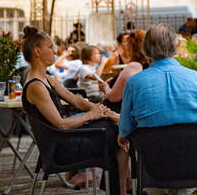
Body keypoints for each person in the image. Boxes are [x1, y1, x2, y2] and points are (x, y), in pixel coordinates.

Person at [118, 24, 197, 190]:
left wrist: (123, 137)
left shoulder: (134, 84)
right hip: (196, 165)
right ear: (174, 46)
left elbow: (125, 129)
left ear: (145, 48)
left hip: (154, 167)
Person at [21, 26, 124, 195]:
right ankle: (123, 188)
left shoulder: (46, 78)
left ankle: (120, 189)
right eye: (50, 47)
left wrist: (104, 112)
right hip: (59, 149)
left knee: (114, 129)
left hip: (63, 140)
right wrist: (91, 115)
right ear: (37, 51)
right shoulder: (36, 86)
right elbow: (61, 124)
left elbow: (76, 100)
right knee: (114, 136)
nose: (55, 51)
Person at [103, 30, 148, 112]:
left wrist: (105, 87)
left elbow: (113, 97)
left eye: (127, 42)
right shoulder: (151, 65)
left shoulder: (134, 66)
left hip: (117, 113)